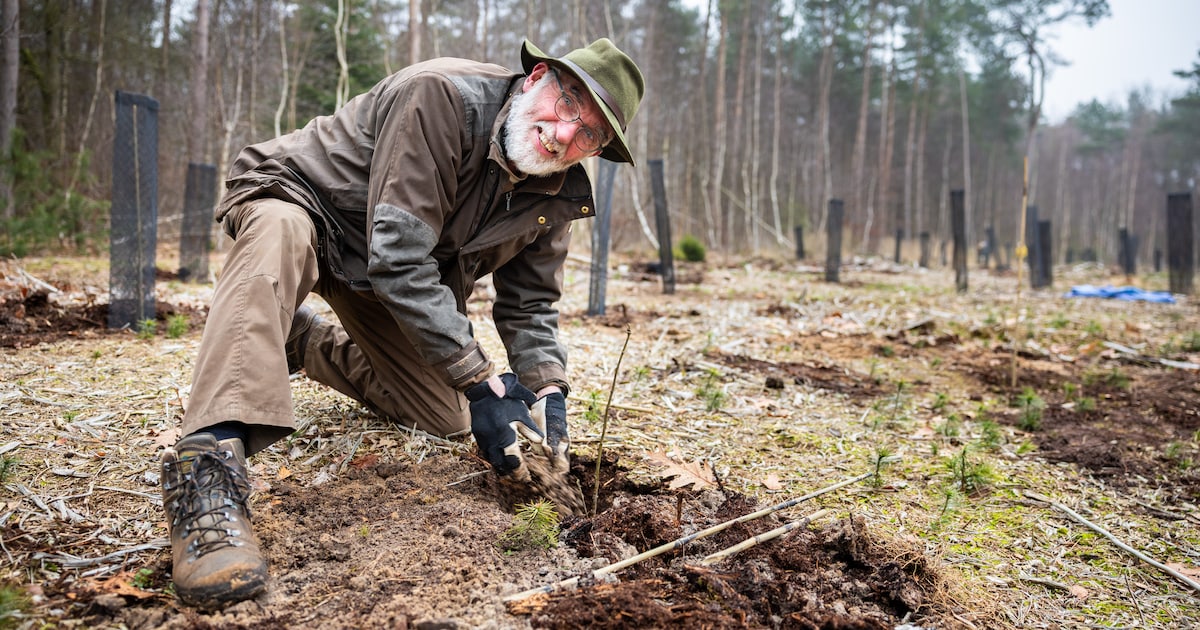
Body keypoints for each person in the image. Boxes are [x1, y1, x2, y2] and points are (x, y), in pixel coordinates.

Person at [159, 38, 644, 608]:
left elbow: (531, 304)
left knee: (448, 415)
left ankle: (302, 341)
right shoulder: (441, 97)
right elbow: (401, 257)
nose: (564, 134)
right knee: (279, 231)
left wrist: (546, 386)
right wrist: (483, 378)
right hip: (306, 203)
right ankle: (209, 474)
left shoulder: (552, 190)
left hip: (378, 271)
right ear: (538, 76)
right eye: (566, 105)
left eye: (588, 133)